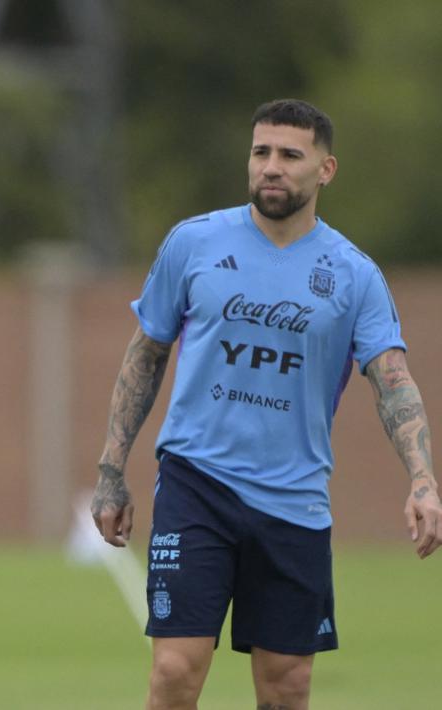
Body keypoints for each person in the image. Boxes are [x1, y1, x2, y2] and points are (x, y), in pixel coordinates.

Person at [90, 99, 441, 709]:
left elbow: (393, 380)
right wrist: (110, 472)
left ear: (326, 170)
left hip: (294, 499)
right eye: (261, 152)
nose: (271, 166)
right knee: (174, 672)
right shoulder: (194, 243)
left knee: (287, 686)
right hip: (196, 485)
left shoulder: (354, 274)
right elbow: (145, 356)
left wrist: (423, 479)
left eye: (289, 155)